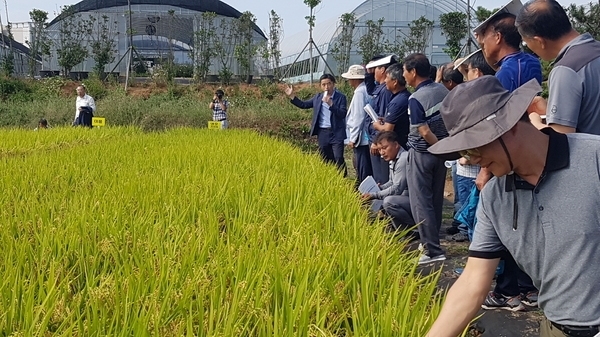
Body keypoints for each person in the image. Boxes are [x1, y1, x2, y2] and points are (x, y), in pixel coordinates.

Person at [426, 75, 600, 337]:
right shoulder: (495, 196)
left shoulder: (593, 158)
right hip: (555, 328)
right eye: (464, 153)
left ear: (508, 127)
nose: (473, 160)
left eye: (473, 148)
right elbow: (473, 282)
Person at [473, 0, 543, 311]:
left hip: (511, 160)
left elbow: (497, 126)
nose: (483, 43)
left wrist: (486, 171)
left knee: (513, 223)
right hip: (535, 155)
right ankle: (526, 288)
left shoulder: (504, 74)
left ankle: (511, 290)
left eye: (484, 36)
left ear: (497, 37)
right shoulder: (531, 63)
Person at [515, 0, 600, 134]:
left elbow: (562, 138)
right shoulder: (594, 51)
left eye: (526, 42)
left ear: (539, 41)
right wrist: (552, 112)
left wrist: (534, 122)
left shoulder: (566, 70)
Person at [402, 53, 449, 265]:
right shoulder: (442, 90)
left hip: (422, 153)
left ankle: (432, 250)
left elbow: (422, 129)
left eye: (405, 71)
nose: (403, 75)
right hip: (441, 154)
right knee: (435, 200)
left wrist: (435, 144)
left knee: (421, 202)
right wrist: (443, 147)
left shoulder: (415, 99)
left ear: (413, 72)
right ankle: (431, 242)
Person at [285, 74, 348, 174]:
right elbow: (304, 105)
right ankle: (329, 176)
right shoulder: (318, 98)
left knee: (338, 157)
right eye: (323, 84)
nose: (326, 87)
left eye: (329, 84)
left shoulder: (340, 97)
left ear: (333, 84)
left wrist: (331, 104)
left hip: (336, 132)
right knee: (325, 157)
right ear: (320, 86)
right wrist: (292, 96)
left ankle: (343, 178)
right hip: (323, 132)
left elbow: (342, 114)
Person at [362, 131, 413, 231]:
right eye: (380, 149)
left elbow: (397, 189)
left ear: (396, 145)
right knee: (383, 200)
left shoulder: (403, 159)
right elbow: (391, 182)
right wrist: (380, 188)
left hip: (413, 200)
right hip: (404, 199)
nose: (382, 153)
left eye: (385, 148)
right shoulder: (393, 159)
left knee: (388, 202)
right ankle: (399, 228)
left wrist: (374, 194)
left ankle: (412, 229)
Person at [364, 55, 398, 184]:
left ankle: (383, 202)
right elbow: (371, 89)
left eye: (375, 69)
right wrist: (368, 73)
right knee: (377, 174)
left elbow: (384, 119)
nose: (374, 73)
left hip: (379, 140)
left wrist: (376, 141)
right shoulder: (380, 88)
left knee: (382, 176)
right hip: (375, 138)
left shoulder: (385, 91)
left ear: (382, 70)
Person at [343, 64, 373, 184]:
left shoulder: (360, 92)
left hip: (362, 138)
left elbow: (358, 117)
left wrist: (353, 138)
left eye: (350, 78)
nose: (349, 80)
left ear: (355, 79)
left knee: (363, 167)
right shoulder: (366, 89)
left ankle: (365, 193)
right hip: (366, 137)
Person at [371, 63, 410, 150]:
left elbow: (388, 129)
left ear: (395, 81)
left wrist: (377, 126)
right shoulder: (405, 96)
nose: (385, 81)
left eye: (387, 78)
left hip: (397, 146)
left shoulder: (397, 102)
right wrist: (386, 120)